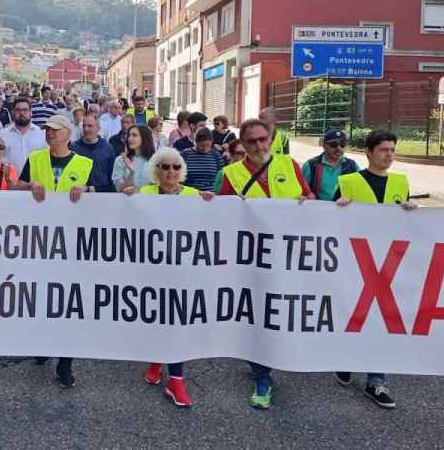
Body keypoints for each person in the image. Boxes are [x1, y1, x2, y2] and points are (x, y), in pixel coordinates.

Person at [218, 118, 312, 409]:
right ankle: (262, 374)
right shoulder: (230, 173)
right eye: (252, 141)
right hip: (253, 259)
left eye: (263, 139)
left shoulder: (290, 165)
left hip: (290, 255)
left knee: (283, 310)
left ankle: (273, 358)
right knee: (257, 314)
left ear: (271, 138)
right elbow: (222, 217)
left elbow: (308, 195)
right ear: (242, 145)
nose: (259, 145)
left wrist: (310, 203)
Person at [122, 147, 213, 407]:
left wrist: (213, 204)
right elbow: (122, 216)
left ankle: (176, 381)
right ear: (156, 170)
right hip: (151, 273)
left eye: (175, 167)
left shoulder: (195, 196)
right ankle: (155, 361)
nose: (171, 171)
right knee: (157, 320)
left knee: (175, 322)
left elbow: (214, 224)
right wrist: (127, 194)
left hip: (182, 274)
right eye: (165, 167)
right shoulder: (146, 193)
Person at [333, 130, 415, 409]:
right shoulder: (348, 181)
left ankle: (377, 381)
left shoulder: (401, 182)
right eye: (383, 150)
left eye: (392, 149)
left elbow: (408, 224)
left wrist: (411, 210)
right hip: (355, 262)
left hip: (388, 263)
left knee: (383, 320)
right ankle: (345, 358)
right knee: (354, 315)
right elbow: (326, 219)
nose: (389, 155)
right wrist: (336, 208)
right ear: (369, 152)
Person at [14, 114, 96, 387]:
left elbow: (104, 193)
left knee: (68, 303)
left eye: (55, 129)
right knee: (40, 297)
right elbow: (17, 188)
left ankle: (65, 363)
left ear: (67, 133)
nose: (49, 133)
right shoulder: (36, 159)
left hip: (74, 243)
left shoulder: (85, 163)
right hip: (39, 241)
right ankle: (42, 343)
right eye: (47, 129)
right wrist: (29, 185)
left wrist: (87, 188)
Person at [302, 129, 359, 202]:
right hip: (317, 211)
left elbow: (360, 190)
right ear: (324, 145)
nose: (338, 148)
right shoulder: (310, 165)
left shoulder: (353, 165)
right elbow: (300, 190)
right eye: (333, 144)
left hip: (344, 210)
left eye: (342, 144)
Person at [70, 113, 117, 193]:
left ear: (98, 128)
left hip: (101, 195)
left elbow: (112, 177)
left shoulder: (107, 148)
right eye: (84, 126)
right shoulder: (74, 148)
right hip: (77, 194)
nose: (86, 129)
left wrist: (91, 189)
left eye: (90, 126)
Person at [1, 97, 46, 173]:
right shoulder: (2, 135)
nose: (21, 113)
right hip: (9, 182)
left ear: (30, 112)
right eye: (18, 110)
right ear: (13, 112)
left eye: (25, 110)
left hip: (35, 182)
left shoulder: (41, 133)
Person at [112, 124, 155, 191]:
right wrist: (132, 173)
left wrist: (138, 190)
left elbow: (157, 188)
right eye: (129, 135)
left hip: (148, 200)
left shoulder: (155, 160)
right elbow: (119, 189)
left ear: (144, 138)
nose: (129, 138)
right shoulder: (120, 160)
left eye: (134, 135)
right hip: (125, 200)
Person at [181, 128, 226, 192]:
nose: (205, 148)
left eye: (208, 145)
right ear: (196, 142)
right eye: (202, 145)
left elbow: (221, 176)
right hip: (191, 194)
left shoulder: (215, 155)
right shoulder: (186, 154)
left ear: (212, 141)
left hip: (211, 195)